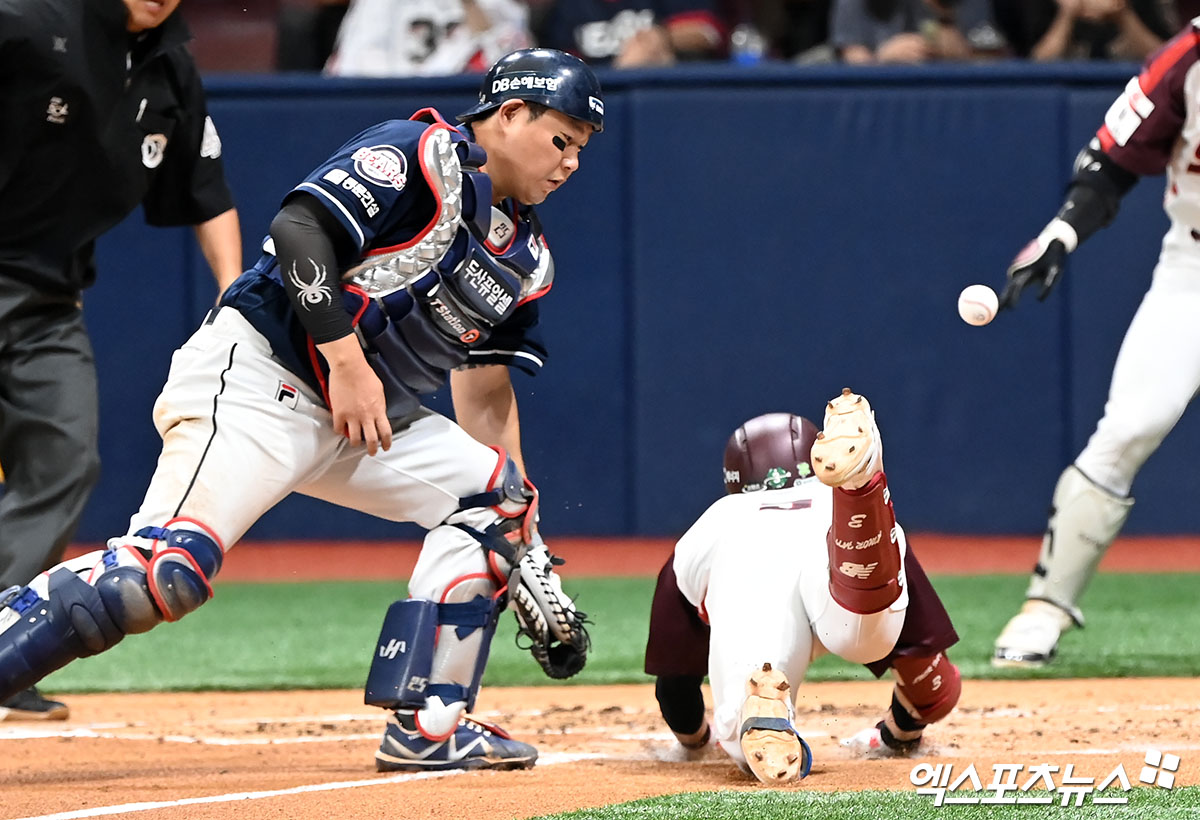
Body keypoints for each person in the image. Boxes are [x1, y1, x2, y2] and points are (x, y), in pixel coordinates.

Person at [0, 47, 600, 771]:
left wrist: (525, 546)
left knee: (498, 504)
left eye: (581, 149)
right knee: (158, 577)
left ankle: (430, 724)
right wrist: (346, 361)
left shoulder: (524, 257)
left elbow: (485, 390)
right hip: (261, 377)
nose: (569, 164)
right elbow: (298, 231)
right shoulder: (420, 152)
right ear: (509, 114)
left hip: (364, 421)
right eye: (560, 139)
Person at [0, 0, 242, 721]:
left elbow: (206, 193)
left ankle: (5, 646)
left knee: (65, 461)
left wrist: (235, 298)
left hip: (49, 299)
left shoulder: (171, 68)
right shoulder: (29, 18)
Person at [992, 23, 1200, 668]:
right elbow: (1109, 165)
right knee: (1130, 426)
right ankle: (1045, 608)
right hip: (1193, 272)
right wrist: (1060, 235)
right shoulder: (1188, 58)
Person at [645, 390, 961, 783]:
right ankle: (862, 491)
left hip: (751, 584)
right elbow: (929, 677)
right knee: (865, 623)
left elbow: (675, 687)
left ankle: (759, 706)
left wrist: (695, 741)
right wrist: (898, 734)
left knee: (748, 725)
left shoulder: (717, 520)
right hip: (842, 569)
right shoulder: (825, 501)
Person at [324, 0, 532, 77]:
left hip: (455, 109)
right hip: (385, 105)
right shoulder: (376, 7)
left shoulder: (494, 6)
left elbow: (509, 70)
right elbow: (352, 69)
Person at [531, 0, 728, 67]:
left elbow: (707, 32)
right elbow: (562, 68)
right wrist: (622, 70)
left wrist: (661, 38)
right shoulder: (568, 8)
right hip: (602, 106)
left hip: (672, 98)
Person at [831, 0, 1007, 62]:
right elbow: (852, 58)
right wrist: (882, 58)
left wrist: (964, 54)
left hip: (949, 103)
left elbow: (998, 58)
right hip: (885, 104)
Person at [992, 0, 1172, 61]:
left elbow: (1164, 59)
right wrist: (1067, 15)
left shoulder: (1133, 4)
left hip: (1124, 96)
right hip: (1051, 104)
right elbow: (1040, 62)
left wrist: (1124, 16)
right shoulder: (1039, 5)